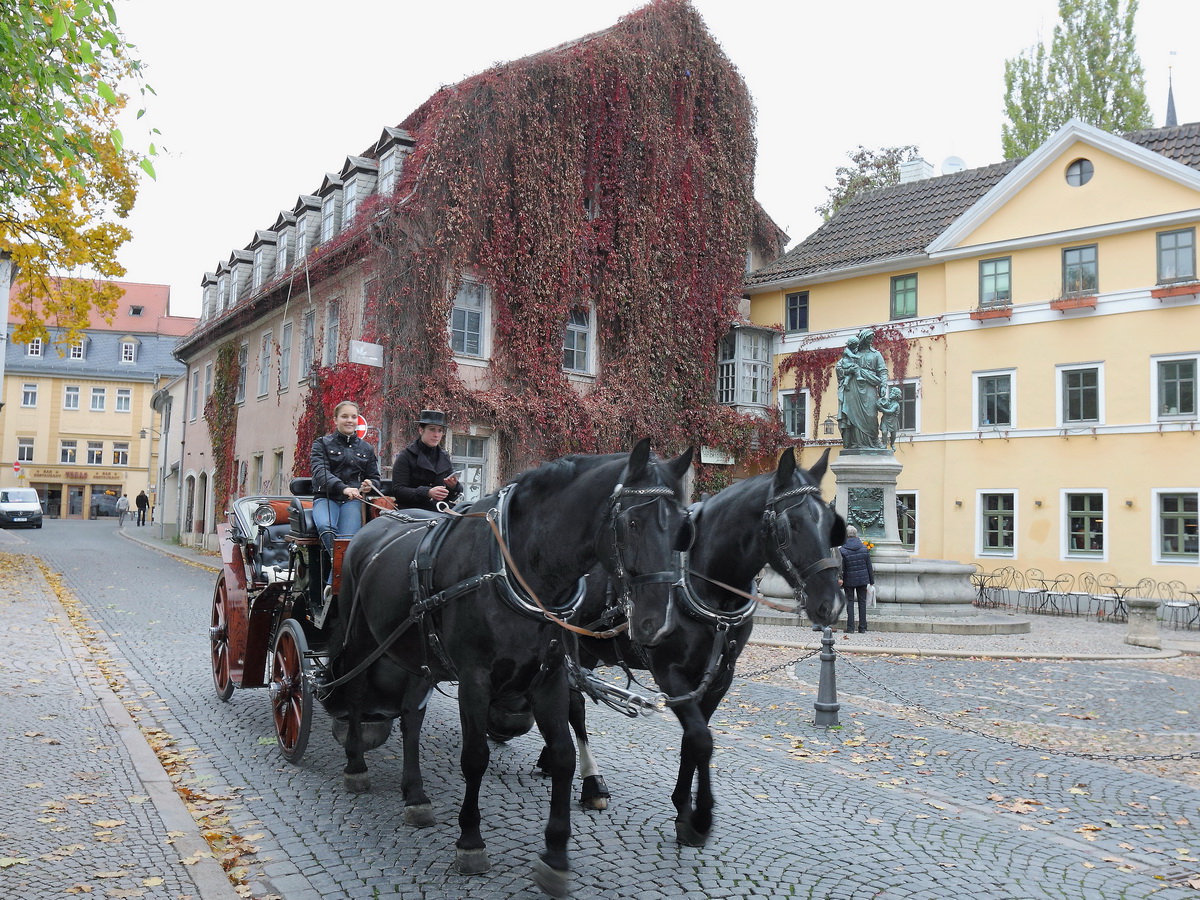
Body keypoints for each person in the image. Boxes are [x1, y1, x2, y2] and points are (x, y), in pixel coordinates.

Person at [310, 400, 381, 595]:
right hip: (326, 498)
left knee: (348, 540)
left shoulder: (366, 448)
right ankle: (339, 574)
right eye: (344, 416)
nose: (349, 420)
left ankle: (333, 583)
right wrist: (343, 488)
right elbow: (320, 473)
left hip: (353, 501)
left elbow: (375, 478)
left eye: (353, 417)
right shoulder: (321, 444)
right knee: (326, 526)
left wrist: (369, 485)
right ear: (335, 420)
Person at [389, 409, 462, 513]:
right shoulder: (405, 456)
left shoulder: (444, 457)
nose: (436, 435)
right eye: (432, 429)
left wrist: (454, 486)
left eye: (440, 430)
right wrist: (427, 492)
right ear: (421, 430)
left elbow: (452, 495)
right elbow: (398, 490)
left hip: (440, 510)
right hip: (412, 511)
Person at [839, 328, 889, 449]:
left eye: (872, 338)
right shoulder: (853, 353)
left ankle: (874, 440)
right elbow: (840, 367)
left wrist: (883, 385)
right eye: (869, 338)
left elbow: (882, 371)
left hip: (870, 385)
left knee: (871, 415)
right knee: (854, 415)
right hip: (854, 387)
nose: (871, 340)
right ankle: (856, 443)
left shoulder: (876, 354)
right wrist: (849, 370)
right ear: (863, 339)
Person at [838, 524, 874, 634]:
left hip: (849, 580)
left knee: (850, 602)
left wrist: (840, 579)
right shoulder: (864, 548)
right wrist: (871, 581)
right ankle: (862, 627)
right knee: (862, 603)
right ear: (855, 535)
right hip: (863, 579)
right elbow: (869, 566)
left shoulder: (843, 550)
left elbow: (841, 567)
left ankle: (850, 628)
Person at [877, 386, 902, 451]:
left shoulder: (896, 405)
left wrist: (881, 409)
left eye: (892, 393)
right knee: (884, 432)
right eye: (890, 392)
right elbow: (882, 404)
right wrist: (880, 404)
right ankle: (884, 444)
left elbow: (890, 411)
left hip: (892, 420)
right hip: (885, 419)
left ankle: (892, 443)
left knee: (893, 434)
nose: (890, 393)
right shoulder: (887, 401)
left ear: (896, 396)